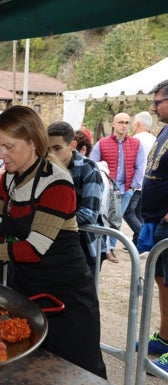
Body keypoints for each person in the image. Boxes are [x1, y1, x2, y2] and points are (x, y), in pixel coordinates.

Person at [0, 105, 106, 379]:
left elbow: (33, 248)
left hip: (66, 293)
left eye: (10, 146)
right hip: (27, 285)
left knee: (76, 370)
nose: (1, 154)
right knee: (29, 366)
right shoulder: (10, 177)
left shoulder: (57, 184)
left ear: (33, 141)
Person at [138, 79, 168, 372]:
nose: (153, 107)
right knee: (162, 280)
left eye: (157, 102)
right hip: (158, 220)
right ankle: (166, 338)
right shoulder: (165, 129)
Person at [47, 121, 104, 273]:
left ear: (73, 145)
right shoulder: (44, 168)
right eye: (48, 149)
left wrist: (50, 220)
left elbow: (89, 213)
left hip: (83, 246)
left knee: (81, 296)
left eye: (57, 148)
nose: (51, 154)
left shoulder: (88, 168)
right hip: (52, 246)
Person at [89, 112, 145, 262]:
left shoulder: (136, 144)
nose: (124, 125)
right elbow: (92, 164)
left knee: (117, 219)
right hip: (107, 190)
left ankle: (110, 248)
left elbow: (140, 167)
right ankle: (102, 247)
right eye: (121, 122)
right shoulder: (102, 143)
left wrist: (133, 188)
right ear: (113, 124)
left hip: (126, 189)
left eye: (127, 122)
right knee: (104, 218)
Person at [126, 111, 156, 246]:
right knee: (138, 212)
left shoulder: (136, 139)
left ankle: (144, 239)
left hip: (137, 181)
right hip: (150, 181)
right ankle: (138, 242)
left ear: (138, 123)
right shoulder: (155, 139)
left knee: (128, 212)